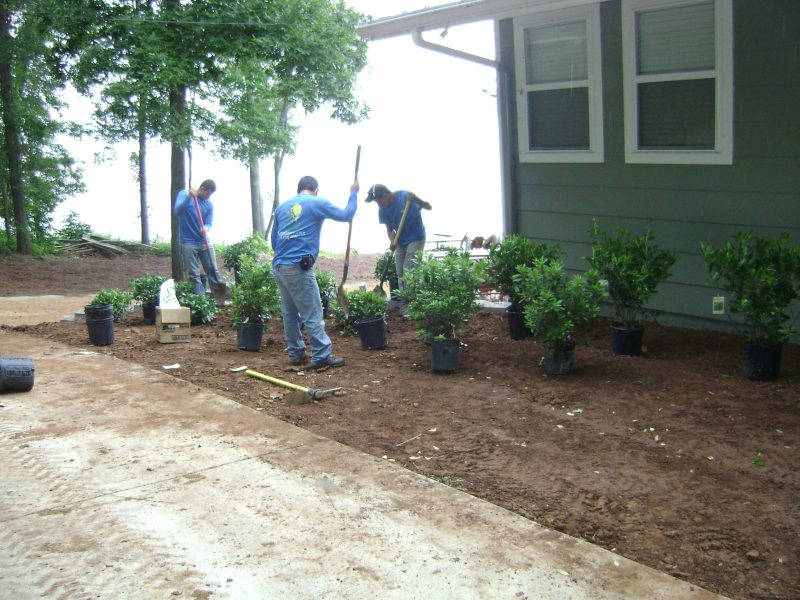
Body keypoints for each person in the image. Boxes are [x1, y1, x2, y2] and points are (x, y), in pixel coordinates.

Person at [271, 175, 359, 369]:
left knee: (290, 313)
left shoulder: (282, 208)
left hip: (279, 266)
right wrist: (353, 192)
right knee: (312, 312)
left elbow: (274, 241)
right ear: (316, 190)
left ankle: (296, 353)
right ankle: (321, 355)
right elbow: (346, 215)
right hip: (298, 267)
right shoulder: (317, 203)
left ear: (298, 189)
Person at [365, 184, 432, 290]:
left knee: (409, 270)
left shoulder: (405, 197)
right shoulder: (382, 209)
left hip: (416, 238)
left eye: (378, 201)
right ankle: (404, 299)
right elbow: (390, 229)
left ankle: (411, 301)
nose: (378, 205)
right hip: (400, 240)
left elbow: (429, 207)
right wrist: (393, 241)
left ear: (385, 195)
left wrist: (417, 200)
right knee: (400, 272)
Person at [173, 179, 224, 297]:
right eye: (207, 193)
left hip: (204, 242)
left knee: (212, 269)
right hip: (188, 242)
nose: (208, 196)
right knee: (193, 273)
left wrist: (206, 228)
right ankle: (200, 300)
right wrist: (189, 197)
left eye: (211, 194)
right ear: (202, 188)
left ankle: (218, 299)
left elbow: (209, 222)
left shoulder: (209, 204)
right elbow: (177, 211)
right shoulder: (184, 194)